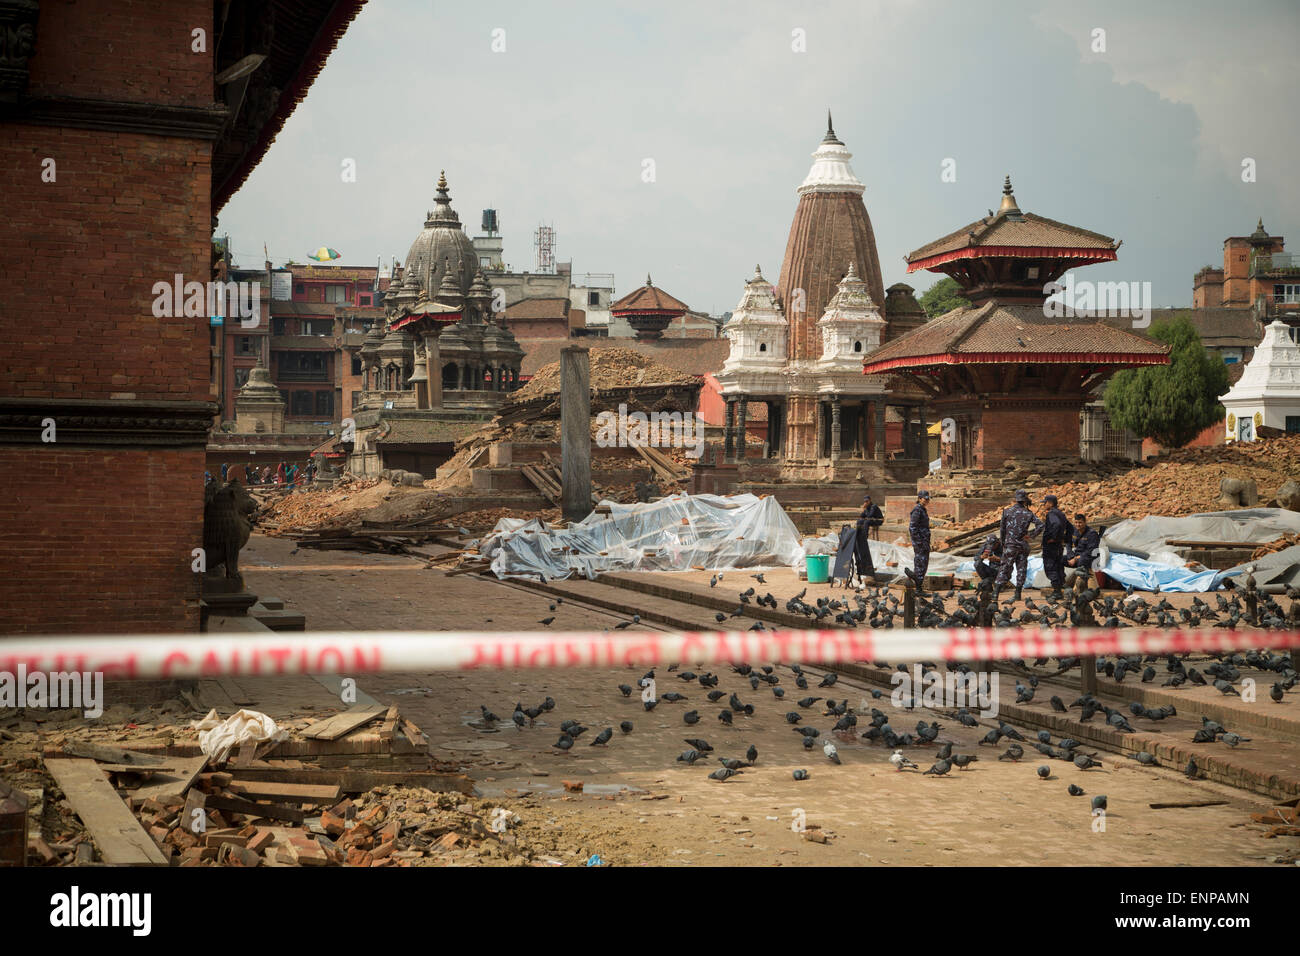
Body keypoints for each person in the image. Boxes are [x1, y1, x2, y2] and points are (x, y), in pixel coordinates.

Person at [994, 488, 1043, 602]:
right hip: (1022, 545)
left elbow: (1002, 530)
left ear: (1016, 499)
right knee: (1021, 569)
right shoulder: (1028, 513)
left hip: (1010, 544)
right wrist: (1031, 535)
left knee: (1005, 568)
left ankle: (995, 593)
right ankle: (1017, 593)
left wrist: (1003, 543)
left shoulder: (1007, 511)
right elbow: (1040, 525)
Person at [1040, 493, 1074, 600]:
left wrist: (1053, 538)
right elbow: (1071, 528)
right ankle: (1061, 587)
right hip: (1058, 546)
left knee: (1051, 567)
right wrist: (1065, 539)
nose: (1044, 505)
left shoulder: (1051, 514)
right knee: (1058, 566)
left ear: (1050, 503)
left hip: (1051, 546)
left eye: (1045, 503)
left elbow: (1057, 525)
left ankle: (1057, 591)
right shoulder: (1061, 514)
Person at [1064, 513, 1101, 585]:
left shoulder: (1092, 534)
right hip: (1077, 555)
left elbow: (1090, 551)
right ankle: (1062, 582)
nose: (1078, 525)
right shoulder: (1074, 531)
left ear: (1085, 522)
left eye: (1080, 522)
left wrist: (1075, 559)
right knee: (1059, 559)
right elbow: (1068, 542)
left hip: (1090, 558)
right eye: (1076, 522)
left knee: (1082, 561)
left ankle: (1080, 585)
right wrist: (1070, 554)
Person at [905, 490, 931, 592]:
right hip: (920, 543)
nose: (927, 501)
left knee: (923, 565)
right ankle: (918, 588)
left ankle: (918, 587)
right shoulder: (917, 510)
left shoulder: (923, 510)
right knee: (920, 564)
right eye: (925, 499)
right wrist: (919, 542)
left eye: (928, 499)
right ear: (920, 499)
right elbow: (912, 528)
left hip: (924, 541)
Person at [855, 494, 884, 582]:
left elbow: (870, 515)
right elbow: (862, 516)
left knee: (866, 522)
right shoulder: (867, 507)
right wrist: (862, 515)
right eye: (865, 501)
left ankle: (864, 536)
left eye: (867, 501)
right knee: (860, 521)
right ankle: (858, 534)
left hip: (878, 520)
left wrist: (865, 510)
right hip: (871, 519)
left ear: (870, 501)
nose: (866, 503)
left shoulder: (873, 507)